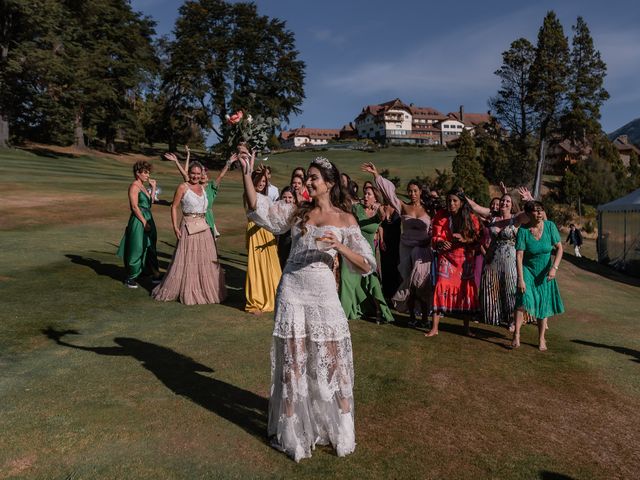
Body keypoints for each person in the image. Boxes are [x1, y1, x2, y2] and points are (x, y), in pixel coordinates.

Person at [237, 155, 375, 462]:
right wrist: (246, 173)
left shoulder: (345, 219)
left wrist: (339, 247)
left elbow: (366, 264)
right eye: (307, 178)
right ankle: (292, 435)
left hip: (324, 294)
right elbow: (260, 211)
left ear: (328, 183)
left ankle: (341, 431)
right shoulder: (298, 213)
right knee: (292, 365)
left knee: (334, 363)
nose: (308, 182)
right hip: (292, 291)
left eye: (314, 178)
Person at [364, 162, 433, 325]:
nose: (412, 193)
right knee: (408, 281)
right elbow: (390, 193)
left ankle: (424, 317)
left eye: (415, 191)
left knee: (421, 282)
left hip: (423, 249)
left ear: (421, 192)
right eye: (410, 191)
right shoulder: (402, 206)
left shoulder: (428, 209)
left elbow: (436, 227)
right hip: (406, 248)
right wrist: (376, 175)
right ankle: (411, 317)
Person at [152, 161, 227, 305]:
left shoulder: (203, 187)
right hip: (188, 227)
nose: (195, 176)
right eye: (193, 173)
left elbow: (218, 180)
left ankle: (205, 290)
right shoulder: (183, 187)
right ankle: (188, 290)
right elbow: (174, 207)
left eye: (198, 174)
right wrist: (175, 227)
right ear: (189, 173)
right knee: (189, 261)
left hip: (204, 228)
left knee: (205, 261)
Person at [426, 189, 481, 337]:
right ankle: (434, 328)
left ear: (462, 202)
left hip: (464, 258)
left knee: (466, 290)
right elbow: (435, 236)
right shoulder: (440, 215)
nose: (451, 203)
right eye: (449, 200)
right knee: (440, 285)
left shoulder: (471, 217)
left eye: (455, 201)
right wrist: (440, 243)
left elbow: (477, 238)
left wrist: (464, 239)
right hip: (447, 257)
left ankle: (467, 328)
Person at [513, 201, 564, 351]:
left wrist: (554, 268)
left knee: (543, 304)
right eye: (536, 211)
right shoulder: (523, 231)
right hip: (527, 270)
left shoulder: (550, 226)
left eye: (541, 210)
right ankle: (516, 334)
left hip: (545, 272)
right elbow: (519, 256)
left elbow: (560, 249)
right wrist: (520, 279)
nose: (540, 213)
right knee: (522, 300)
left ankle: (541, 338)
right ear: (528, 214)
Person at [339, 184, 394, 323]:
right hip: (352, 248)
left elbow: (383, 215)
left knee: (373, 282)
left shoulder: (379, 211)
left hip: (367, 251)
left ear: (375, 197)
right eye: (365, 193)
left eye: (369, 194)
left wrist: (378, 208)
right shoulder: (357, 208)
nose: (366, 196)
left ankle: (380, 311)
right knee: (346, 278)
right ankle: (343, 313)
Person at [244, 167, 282, 314]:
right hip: (255, 232)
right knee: (257, 266)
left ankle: (273, 295)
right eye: (259, 180)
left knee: (271, 265)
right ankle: (256, 300)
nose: (261, 183)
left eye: (264, 181)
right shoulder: (249, 195)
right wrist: (258, 171)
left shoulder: (267, 199)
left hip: (268, 232)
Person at [117, 161, 160, 288]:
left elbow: (149, 203)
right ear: (138, 173)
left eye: (148, 172)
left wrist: (153, 188)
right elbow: (134, 207)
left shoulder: (142, 185)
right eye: (145, 172)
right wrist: (144, 222)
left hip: (148, 217)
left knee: (150, 246)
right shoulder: (134, 186)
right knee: (137, 247)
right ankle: (130, 277)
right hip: (139, 219)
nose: (148, 175)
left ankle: (155, 274)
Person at [276, 186, 296, 269]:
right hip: (282, 242)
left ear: (294, 199)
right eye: (284, 197)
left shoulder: (298, 211)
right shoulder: (277, 210)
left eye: (290, 197)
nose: (287, 200)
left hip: (295, 244)